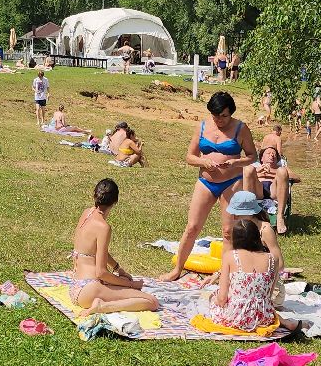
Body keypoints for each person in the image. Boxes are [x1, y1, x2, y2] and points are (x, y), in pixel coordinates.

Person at [167, 91, 257, 278]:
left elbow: (252, 156)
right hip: (206, 182)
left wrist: (236, 162)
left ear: (230, 112)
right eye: (215, 116)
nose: (219, 120)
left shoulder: (241, 128)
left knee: (227, 231)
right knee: (192, 227)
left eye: (223, 116)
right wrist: (203, 162)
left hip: (231, 182)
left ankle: (224, 275)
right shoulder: (202, 126)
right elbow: (189, 157)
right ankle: (177, 269)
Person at [70, 178, 160, 313]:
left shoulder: (86, 213)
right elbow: (101, 273)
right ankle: (102, 306)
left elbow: (97, 251)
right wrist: (131, 284)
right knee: (151, 302)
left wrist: (118, 268)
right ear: (115, 201)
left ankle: (103, 300)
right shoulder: (103, 227)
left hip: (75, 286)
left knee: (120, 281)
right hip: (88, 290)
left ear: (95, 195)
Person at [202, 216, 296, 333]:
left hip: (235, 318)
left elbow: (222, 299)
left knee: (213, 296)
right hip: (264, 317)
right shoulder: (273, 259)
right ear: (257, 236)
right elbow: (268, 295)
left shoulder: (230, 256)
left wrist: (215, 299)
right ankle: (282, 321)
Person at [240, 143, 298, 234]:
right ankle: (247, 215)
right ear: (262, 158)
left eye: (274, 154)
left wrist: (274, 173)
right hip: (257, 191)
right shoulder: (256, 168)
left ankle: (280, 216)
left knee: (282, 171)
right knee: (248, 169)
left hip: (274, 192)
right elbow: (239, 177)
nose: (272, 155)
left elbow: (297, 178)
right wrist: (257, 172)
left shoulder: (280, 168)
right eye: (269, 153)